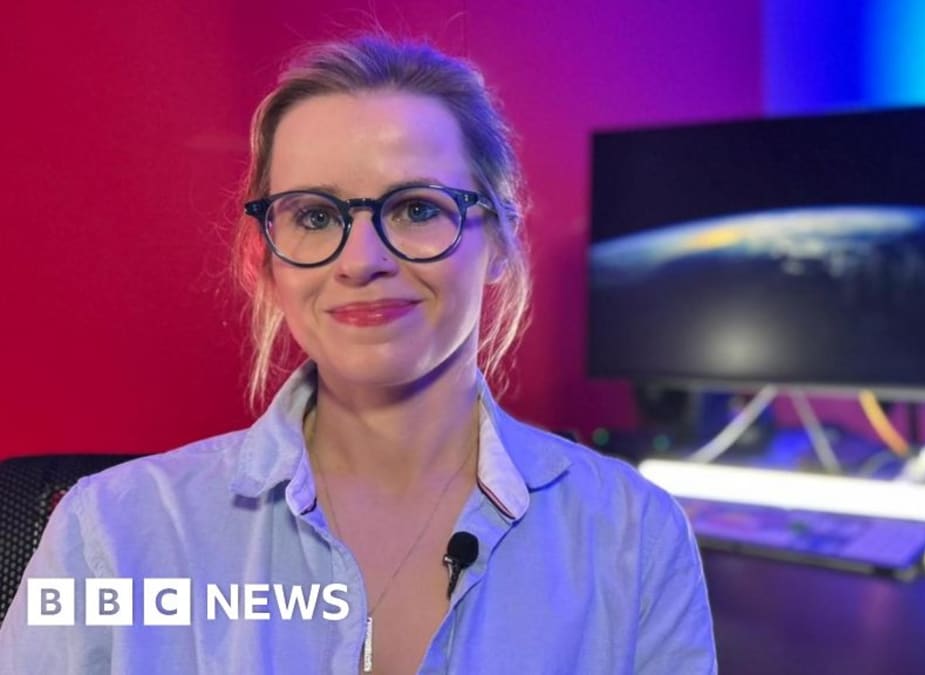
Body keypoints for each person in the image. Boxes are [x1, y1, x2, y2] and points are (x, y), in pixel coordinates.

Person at [0, 35, 716, 673]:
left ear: (496, 238)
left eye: (416, 208)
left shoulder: (635, 536)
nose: (362, 260)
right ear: (266, 259)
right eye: (315, 216)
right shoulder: (112, 531)